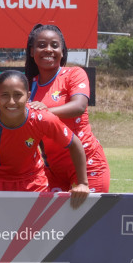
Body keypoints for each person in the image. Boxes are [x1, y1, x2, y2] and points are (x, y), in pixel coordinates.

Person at [0, 70, 89, 207]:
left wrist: (83, 183)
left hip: (31, 183)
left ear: (28, 96)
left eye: (18, 95)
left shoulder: (42, 119)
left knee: (34, 230)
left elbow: (74, 143)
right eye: (5, 95)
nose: (12, 102)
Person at [25, 23, 110, 193]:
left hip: (87, 165)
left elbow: (79, 106)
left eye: (55, 45)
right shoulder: (28, 85)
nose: (48, 49)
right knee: (50, 219)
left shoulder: (74, 74)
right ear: (32, 51)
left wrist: (44, 111)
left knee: (89, 220)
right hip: (53, 169)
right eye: (41, 45)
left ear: (62, 51)